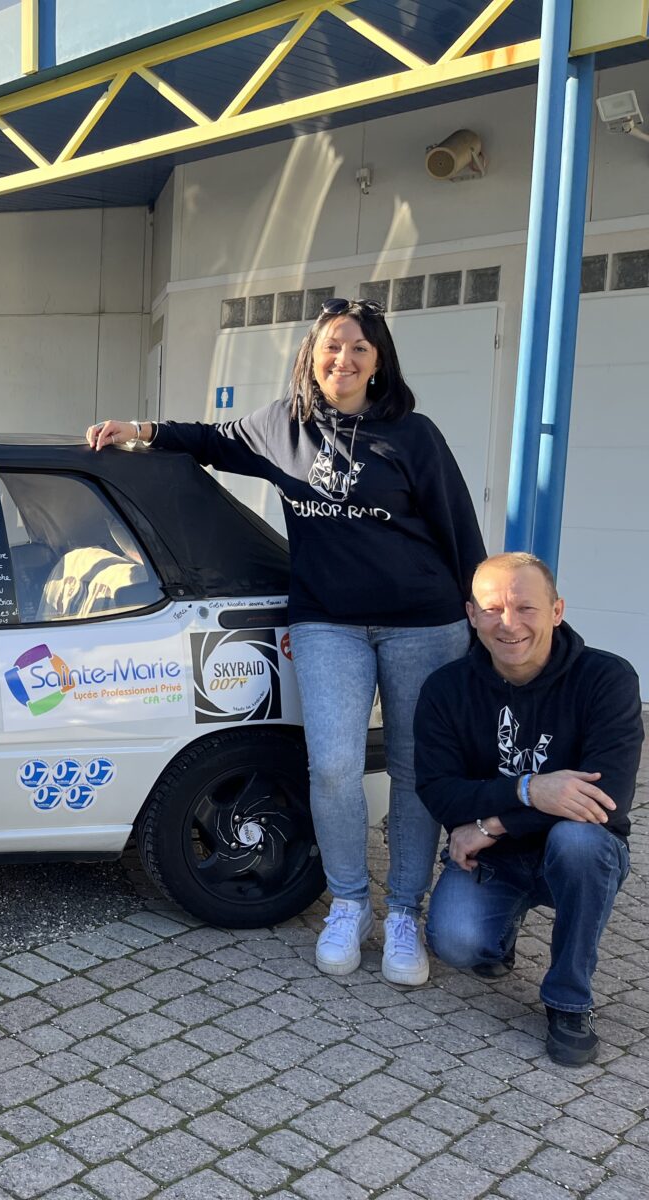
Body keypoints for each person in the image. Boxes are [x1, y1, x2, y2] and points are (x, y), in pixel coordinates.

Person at [88, 297, 485, 985]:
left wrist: (482, 620)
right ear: (312, 354)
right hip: (328, 621)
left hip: (424, 623)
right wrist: (141, 431)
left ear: (380, 361)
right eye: (334, 345)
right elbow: (211, 440)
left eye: (361, 347)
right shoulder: (282, 427)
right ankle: (351, 902)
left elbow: (459, 528)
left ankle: (402, 916)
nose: (345, 358)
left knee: (416, 772)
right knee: (332, 766)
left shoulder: (414, 436)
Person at [415, 553, 639, 1066]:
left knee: (579, 842)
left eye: (525, 607)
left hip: (579, 849)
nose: (508, 623)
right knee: (457, 943)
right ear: (471, 615)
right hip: (496, 859)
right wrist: (530, 790)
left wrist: (495, 820)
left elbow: (608, 801)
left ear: (557, 610)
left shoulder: (607, 679)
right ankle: (501, 935)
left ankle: (568, 1000)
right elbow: (439, 790)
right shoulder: (447, 689)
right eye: (491, 609)